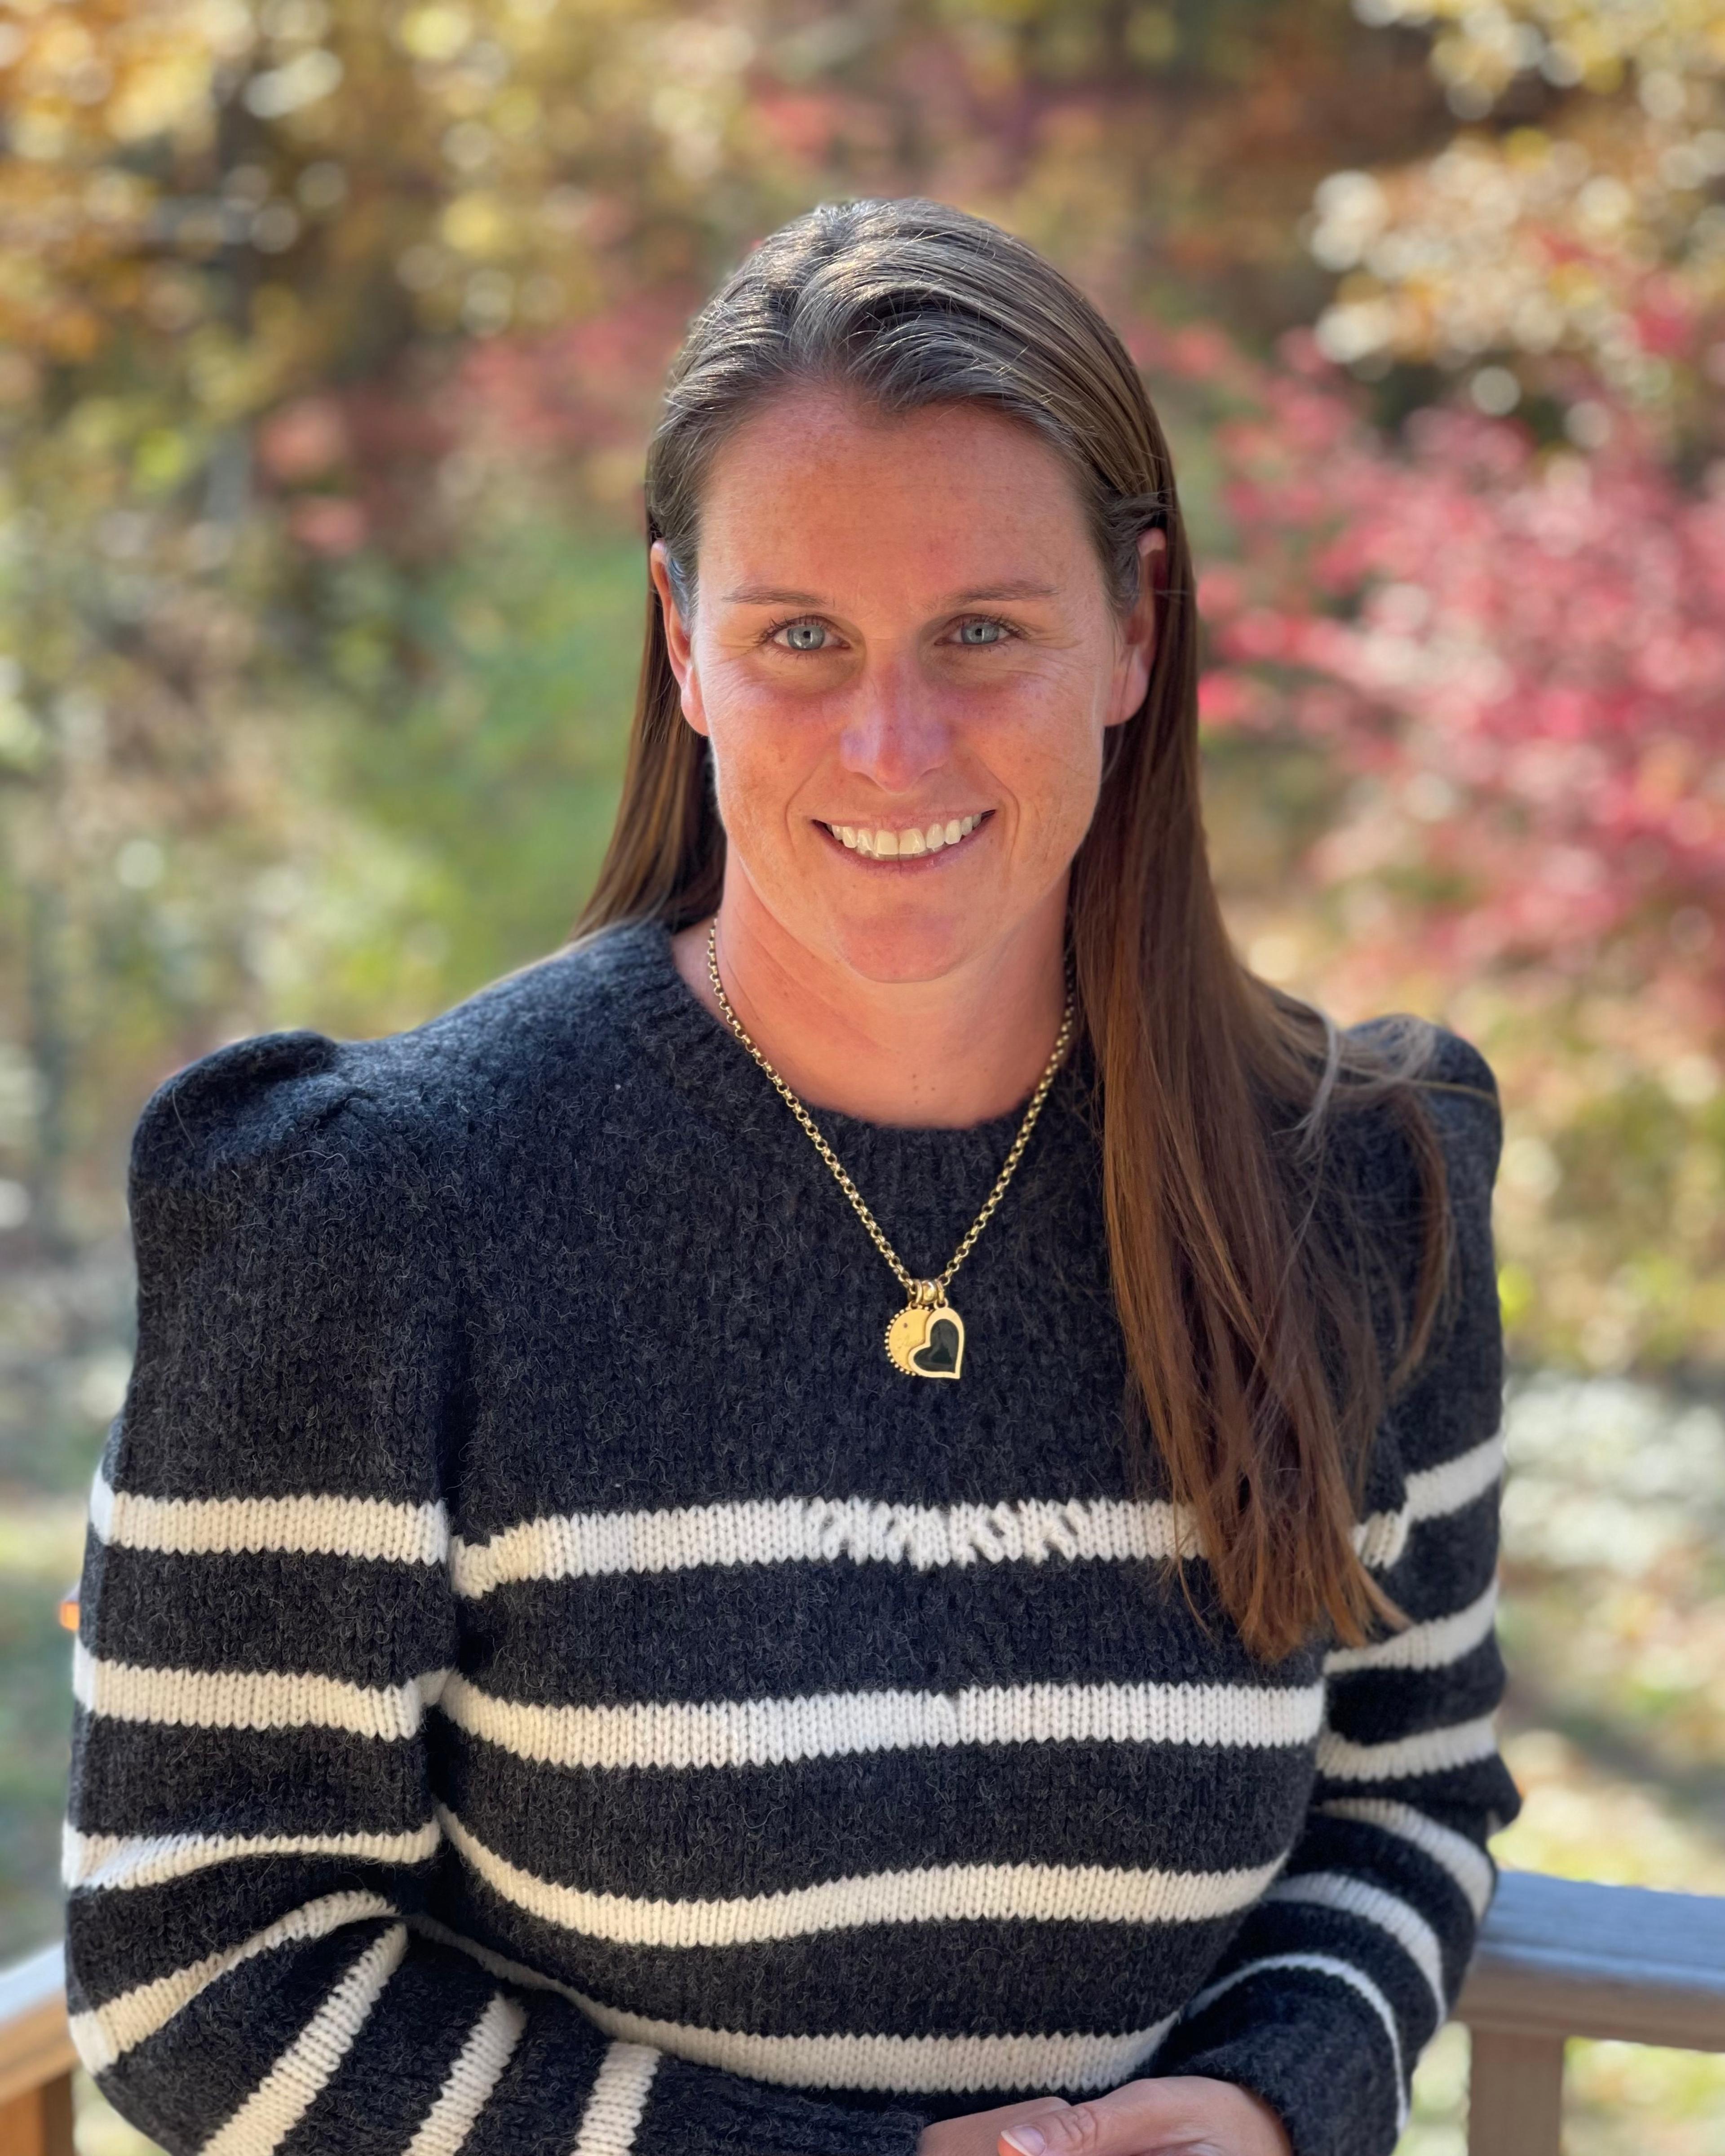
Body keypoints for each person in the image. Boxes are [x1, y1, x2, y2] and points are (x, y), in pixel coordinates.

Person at [63, 198, 1520, 2156]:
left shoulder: (1362, 1183)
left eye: (984, 630)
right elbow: (198, 1960)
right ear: (683, 640)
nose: (891, 740)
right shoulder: (375, 1214)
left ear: (1136, 631)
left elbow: (1405, 1796)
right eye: (801, 637)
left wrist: (1274, 2103)